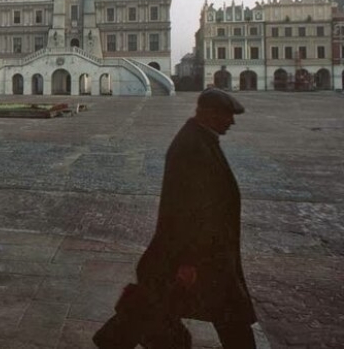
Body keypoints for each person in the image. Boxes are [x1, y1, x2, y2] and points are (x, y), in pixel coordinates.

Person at [94, 88, 257, 349]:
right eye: (227, 115)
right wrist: (187, 260)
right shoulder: (192, 147)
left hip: (204, 251)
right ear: (208, 113)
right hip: (199, 253)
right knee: (222, 313)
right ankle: (116, 338)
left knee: (159, 302)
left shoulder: (201, 139)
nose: (231, 121)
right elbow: (182, 208)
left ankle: (117, 338)